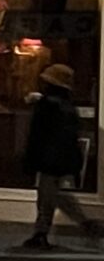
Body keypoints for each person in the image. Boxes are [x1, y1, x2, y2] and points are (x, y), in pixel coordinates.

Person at [19, 63, 101, 248]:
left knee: (47, 196)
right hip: (60, 159)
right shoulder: (66, 106)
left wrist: (31, 159)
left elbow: (37, 135)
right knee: (53, 195)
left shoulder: (48, 106)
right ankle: (82, 224)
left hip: (49, 159)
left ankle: (43, 233)